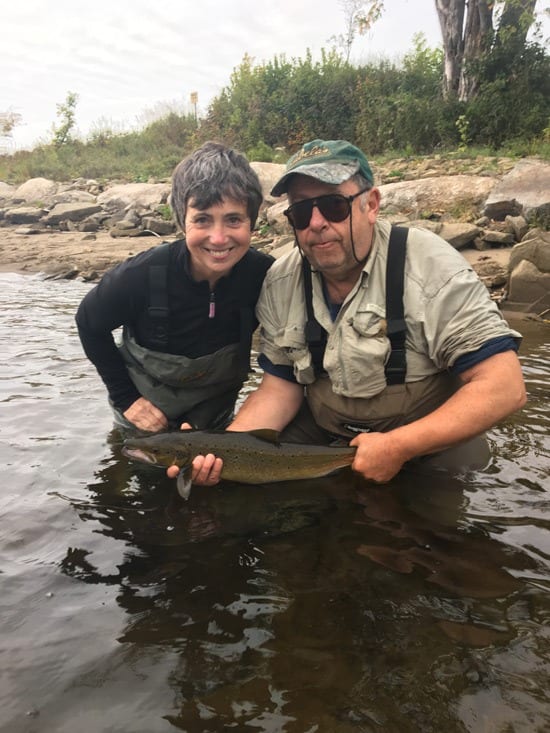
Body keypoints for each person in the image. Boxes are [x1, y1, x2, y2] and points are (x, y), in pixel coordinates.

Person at [170, 138, 526, 486]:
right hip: (326, 435)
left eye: (334, 206)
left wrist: (400, 446)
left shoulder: (430, 267)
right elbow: (280, 390)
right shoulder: (281, 280)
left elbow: (504, 386)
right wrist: (218, 452)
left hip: (428, 441)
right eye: (302, 211)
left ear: (371, 205)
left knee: (429, 536)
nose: (317, 222)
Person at [76, 141, 273, 433]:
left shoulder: (266, 276)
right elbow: (88, 323)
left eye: (233, 219)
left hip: (214, 416)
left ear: (252, 224)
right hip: (143, 418)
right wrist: (126, 398)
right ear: (182, 222)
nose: (218, 239)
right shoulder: (139, 276)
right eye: (202, 220)